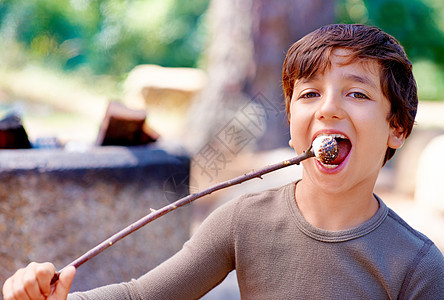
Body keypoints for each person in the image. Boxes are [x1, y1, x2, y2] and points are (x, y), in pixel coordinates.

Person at [3, 23, 444, 300]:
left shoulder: (417, 266)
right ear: (292, 126)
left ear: (397, 129)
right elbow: (142, 295)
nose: (328, 109)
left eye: (357, 93)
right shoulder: (243, 221)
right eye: (310, 94)